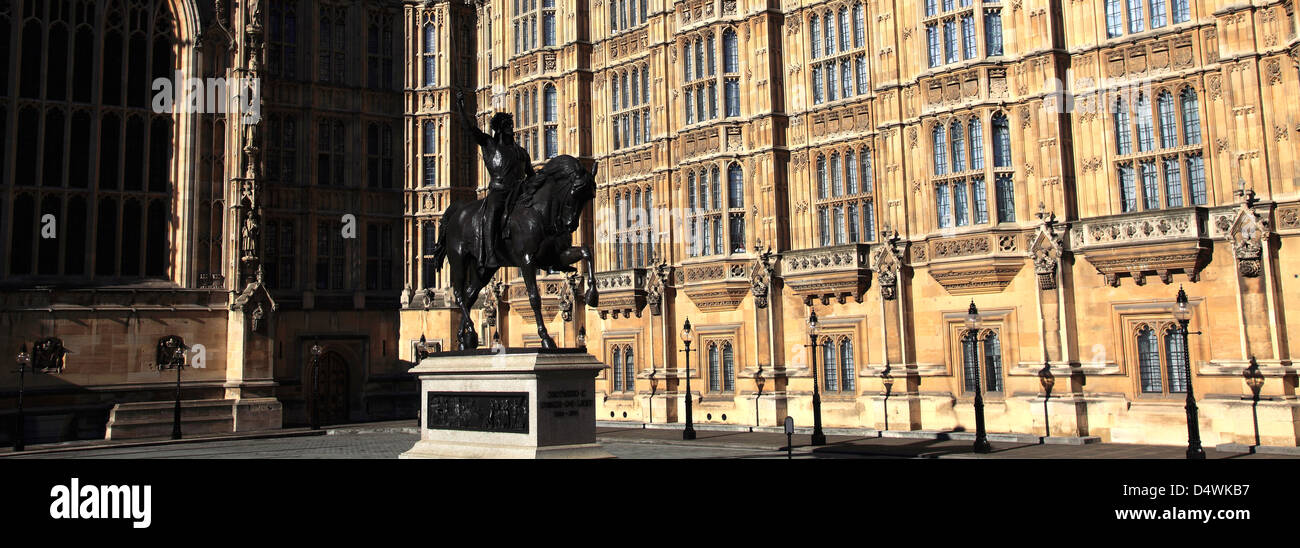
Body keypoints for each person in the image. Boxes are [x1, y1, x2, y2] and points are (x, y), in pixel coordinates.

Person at [456, 90, 535, 269]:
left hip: (519, 192)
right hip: (499, 192)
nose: (512, 129)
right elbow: (470, 129)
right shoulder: (489, 145)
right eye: (508, 126)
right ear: (499, 129)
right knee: (492, 211)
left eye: (512, 126)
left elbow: (532, 176)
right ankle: (490, 253)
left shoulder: (521, 152)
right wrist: (460, 106)